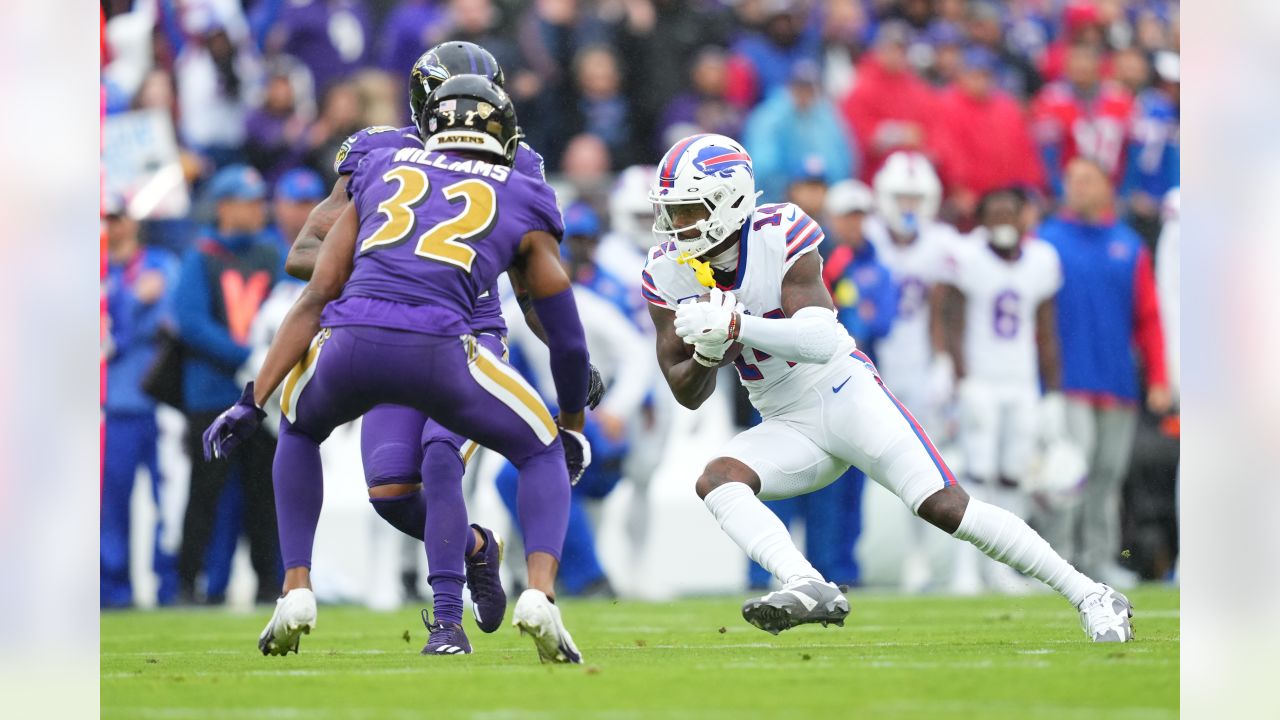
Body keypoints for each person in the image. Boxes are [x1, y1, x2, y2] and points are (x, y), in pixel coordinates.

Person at [640, 133, 1133, 642]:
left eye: (690, 210)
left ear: (731, 202)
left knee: (945, 507)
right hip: (783, 419)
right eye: (673, 212)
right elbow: (687, 391)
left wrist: (739, 327)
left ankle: (1091, 593)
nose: (678, 226)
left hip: (842, 392)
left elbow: (820, 335)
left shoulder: (778, 231)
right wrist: (707, 352)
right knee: (717, 480)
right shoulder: (666, 271)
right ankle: (806, 583)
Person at [205, 74, 592, 663]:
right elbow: (563, 329)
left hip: (356, 340)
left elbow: (314, 296)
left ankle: (300, 590)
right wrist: (571, 422)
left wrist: (251, 399)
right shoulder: (520, 188)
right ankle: (538, 594)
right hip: (443, 342)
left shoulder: (382, 167)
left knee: (301, 428)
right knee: (533, 451)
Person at [496, 203, 654, 597]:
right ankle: (562, 575)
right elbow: (489, 337)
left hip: (593, 421)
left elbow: (638, 353)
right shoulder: (520, 310)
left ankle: (587, 576)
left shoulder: (591, 306)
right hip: (558, 418)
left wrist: (616, 409)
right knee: (527, 482)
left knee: (520, 478)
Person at [1036, 158, 1170, 587]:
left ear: (1107, 187)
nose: (1077, 187)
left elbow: (1148, 317)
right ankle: (1058, 562)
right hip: (1069, 380)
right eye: (1071, 179)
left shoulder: (1128, 246)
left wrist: (1159, 377)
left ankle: (1099, 560)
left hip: (1116, 381)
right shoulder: (1048, 240)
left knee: (1108, 476)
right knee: (1069, 473)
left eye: (1086, 180)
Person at [931, 188, 1066, 592]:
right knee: (976, 473)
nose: (1003, 220)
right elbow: (949, 318)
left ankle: (1002, 567)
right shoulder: (968, 257)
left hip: (1021, 383)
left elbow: (1045, 330)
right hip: (983, 383)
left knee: (1013, 476)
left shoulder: (1041, 260)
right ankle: (965, 569)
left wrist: (1052, 391)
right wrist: (959, 376)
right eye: (995, 213)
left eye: (1011, 212)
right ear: (982, 220)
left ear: (1024, 217)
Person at [173, 165, 281, 605]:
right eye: (249, 202)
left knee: (264, 495)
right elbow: (191, 322)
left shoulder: (272, 254)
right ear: (224, 207)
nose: (258, 210)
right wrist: (247, 357)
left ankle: (268, 583)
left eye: (259, 201)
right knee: (205, 492)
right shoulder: (201, 256)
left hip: (260, 397)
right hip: (213, 394)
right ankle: (187, 582)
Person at [102, 195, 181, 608]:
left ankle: (168, 586)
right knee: (111, 505)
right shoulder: (93, 271)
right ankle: (113, 591)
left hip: (160, 404)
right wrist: (134, 303)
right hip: (113, 405)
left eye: (117, 217)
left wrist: (122, 314)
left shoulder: (162, 262)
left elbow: (170, 320)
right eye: (104, 218)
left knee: (167, 502)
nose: (112, 226)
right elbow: (107, 340)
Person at [743, 60, 857, 203]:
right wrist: (788, 189)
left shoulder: (827, 116)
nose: (804, 93)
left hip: (822, 198)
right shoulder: (769, 117)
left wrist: (829, 190)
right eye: (799, 87)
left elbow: (842, 160)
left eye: (809, 88)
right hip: (778, 200)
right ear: (789, 87)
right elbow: (763, 165)